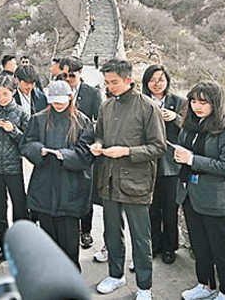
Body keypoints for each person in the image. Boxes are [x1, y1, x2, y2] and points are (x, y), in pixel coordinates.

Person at [89, 58, 166, 300]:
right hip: (109, 179)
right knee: (111, 232)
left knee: (141, 237)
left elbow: (159, 147)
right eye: (106, 82)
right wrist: (98, 145)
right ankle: (115, 274)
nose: (110, 86)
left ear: (128, 80)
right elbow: (99, 134)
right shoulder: (106, 106)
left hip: (137, 182)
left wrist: (127, 152)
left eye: (114, 82)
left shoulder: (147, 107)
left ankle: (144, 287)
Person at [174, 81, 225, 300]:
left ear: (216, 102)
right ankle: (205, 285)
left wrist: (193, 159)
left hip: (216, 200)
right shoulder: (191, 124)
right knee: (199, 246)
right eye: (193, 101)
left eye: (203, 102)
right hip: (190, 195)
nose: (197, 106)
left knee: (220, 250)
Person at [20, 80, 94, 270]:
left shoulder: (82, 121)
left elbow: (86, 154)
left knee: (70, 240)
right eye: (54, 101)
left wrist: (65, 155)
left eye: (62, 100)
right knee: (48, 238)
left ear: (71, 98)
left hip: (71, 186)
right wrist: (39, 150)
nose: (58, 104)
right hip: (45, 184)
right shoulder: (38, 119)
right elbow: (26, 144)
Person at [0, 74, 30, 267]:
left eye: (5, 94)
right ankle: (4, 248)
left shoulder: (21, 114)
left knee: (20, 210)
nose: (2, 98)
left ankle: (21, 248)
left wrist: (14, 131)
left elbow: (26, 144)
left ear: (13, 92)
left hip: (15, 169)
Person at [141, 64, 185, 264]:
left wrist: (176, 118)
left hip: (171, 165)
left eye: (160, 79)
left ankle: (170, 247)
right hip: (147, 163)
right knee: (151, 209)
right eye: (152, 80)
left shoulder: (180, 102)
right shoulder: (141, 102)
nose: (156, 84)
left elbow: (191, 128)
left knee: (170, 210)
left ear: (167, 81)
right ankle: (154, 245)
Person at [58, 56, 102, 250]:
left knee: (85, 191)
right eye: (64, 75)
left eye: (71, 75)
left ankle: (86, 231)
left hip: (84, 148)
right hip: (63, 148)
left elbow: (98, 121)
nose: (68, 78)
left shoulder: (91, 93)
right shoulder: (58, 88)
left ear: (80, 72)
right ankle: (69, 231)